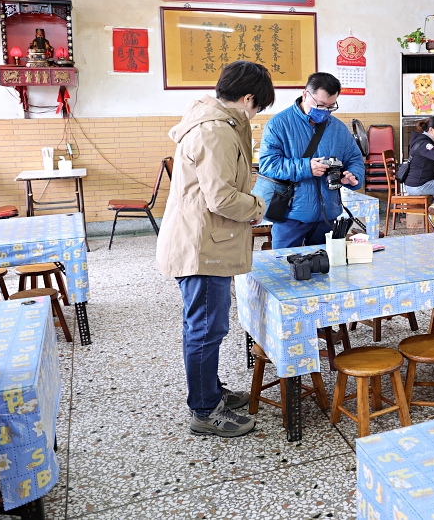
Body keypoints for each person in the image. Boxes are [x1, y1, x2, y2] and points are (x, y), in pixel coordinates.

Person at [156, 61, 274, 438]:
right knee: (206, 328)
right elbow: (221, 198)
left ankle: (210, 391)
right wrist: (257, 208)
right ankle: (204, 410)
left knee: (206, 325)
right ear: (247, 98)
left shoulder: (210, 120)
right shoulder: (216, 131)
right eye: (256, 109)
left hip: (203, 239)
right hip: (203, 245)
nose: (254, 117)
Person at [259, 72, 365, 249]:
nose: (325, 112)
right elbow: (269, 164)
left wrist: (354, 175)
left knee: (325, 270)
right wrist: (306, 167)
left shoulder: (338, 128)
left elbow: (354, 158)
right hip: (290, 215)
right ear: (305, 94)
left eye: (331, 107)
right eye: (321, 105)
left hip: (328, 215)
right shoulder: (278, 125)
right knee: (283, 268)